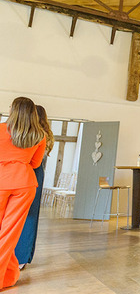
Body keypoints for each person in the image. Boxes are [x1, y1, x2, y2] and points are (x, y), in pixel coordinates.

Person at [0, 97, 46, 290]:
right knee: (9, 234)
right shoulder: (39, 135)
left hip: (2, 180)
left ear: (14, 111)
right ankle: (9, 275)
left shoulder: (1, 129)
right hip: (25, 184)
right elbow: (35, 164)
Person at [15, 105, 54, 269]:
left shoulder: (37, 135)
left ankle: (21, 256)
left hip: (32, 173)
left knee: (29, 216)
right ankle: (22, 256)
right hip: (35, 174)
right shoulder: (44, 134)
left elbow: (33, 161)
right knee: (28, 215)